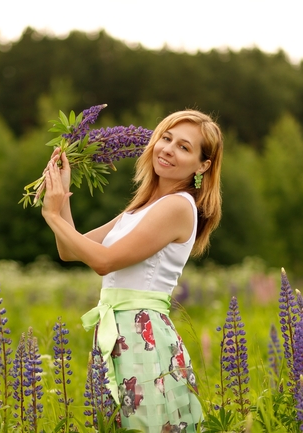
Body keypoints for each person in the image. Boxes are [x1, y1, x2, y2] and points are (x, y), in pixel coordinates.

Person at [41, 109, 223, 432]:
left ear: (203, 165)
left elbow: (103, 261)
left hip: (143, 337)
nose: (167, 149)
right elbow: (69, 250)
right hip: (115, 334)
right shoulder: (140, 208)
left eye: (184, 147)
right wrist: (63, 197)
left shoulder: (179, 206)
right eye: (165, 138)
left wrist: (53, 215)